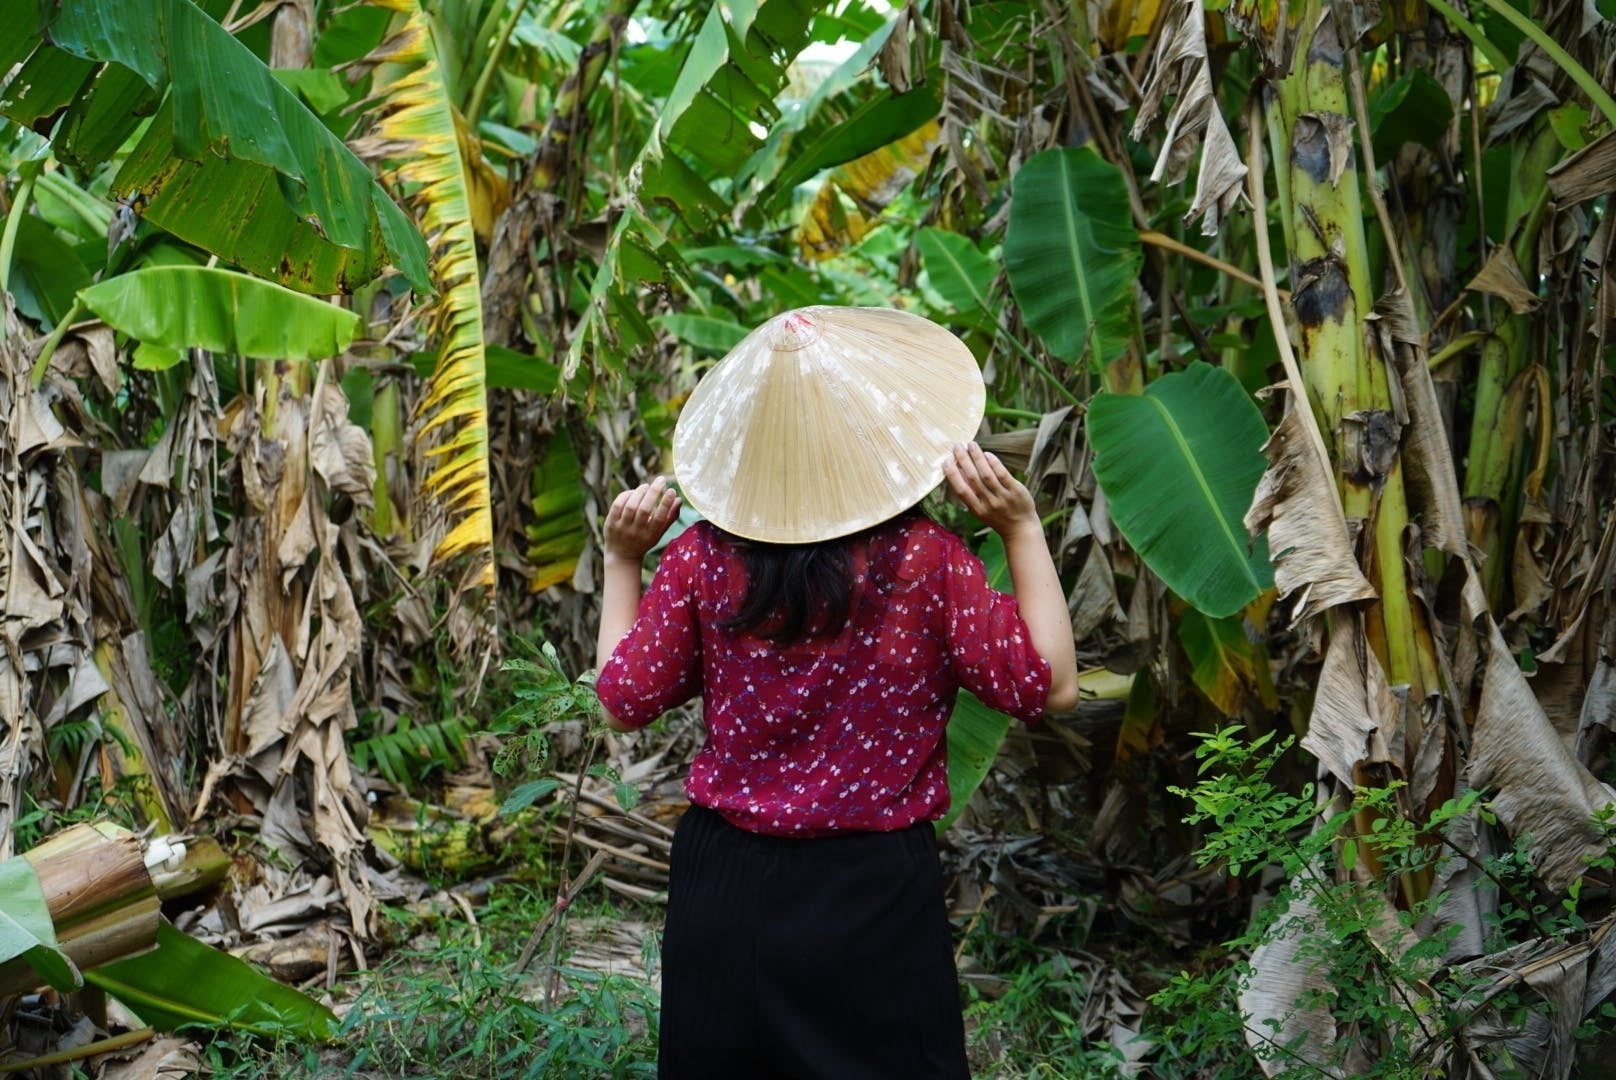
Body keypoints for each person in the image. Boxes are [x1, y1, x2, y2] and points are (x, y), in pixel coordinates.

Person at [593, 306, 1079, 1079]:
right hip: (873, 890)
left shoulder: (700, 561)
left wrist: (622, 559)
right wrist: (1021, 528)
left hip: (726, 886)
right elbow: (1050, 686)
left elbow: (621, 701)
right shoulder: (927, 563)